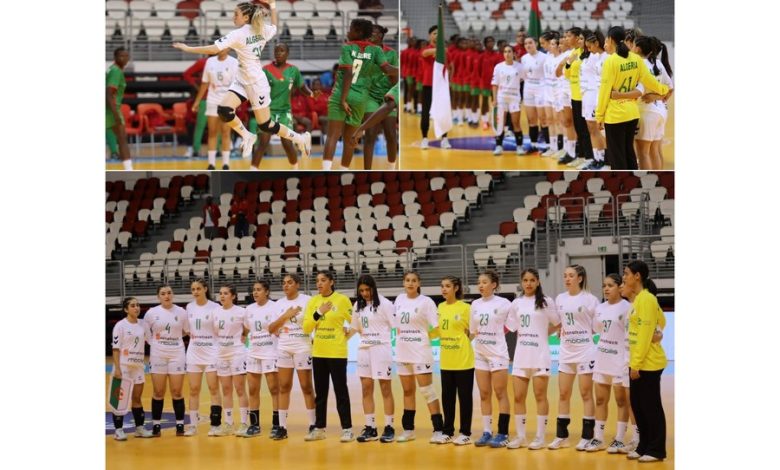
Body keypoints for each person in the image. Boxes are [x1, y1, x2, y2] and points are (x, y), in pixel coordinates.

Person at [173, 1, 312, 161]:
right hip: (241, 79)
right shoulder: (261, 29)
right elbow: (274, 26)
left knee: (266, 125)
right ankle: (247, 136)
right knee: (224, 110)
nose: (233, 17)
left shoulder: (239, 34)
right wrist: (273, 5)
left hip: (256, 83)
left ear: (246, 17)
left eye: (236, 14)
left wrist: (188, 48)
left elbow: (214, 49)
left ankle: (301, 138)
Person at [321, 18, 397, 170]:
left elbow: (349, 73)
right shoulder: (376, 50)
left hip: (342, 93)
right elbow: (388, 69)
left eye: (350, 29)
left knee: (332, 136)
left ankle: (326, 171)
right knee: (351, 138)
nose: (348, 32)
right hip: (361, 98)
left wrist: (343, 99)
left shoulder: (347, 47)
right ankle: (343, 170)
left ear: (359, 32)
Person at [596, 26, 670, 170]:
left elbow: (605, 92)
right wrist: (663, 89)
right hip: (632, 114)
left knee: (617, 158)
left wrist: (599, 116)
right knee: (630, 154)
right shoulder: (636, 59)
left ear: (610, 40)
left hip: (615, 115)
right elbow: (650, 81)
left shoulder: (611, 61)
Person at [506, 269, 560, 450]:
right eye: (525, 280)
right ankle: (521, 436)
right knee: (518, 397)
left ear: (538, 282)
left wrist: (544, 334)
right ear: (521, 282)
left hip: (540, 356)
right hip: (521, 357)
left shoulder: (546, 301)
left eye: (532, 280)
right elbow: (510, 327)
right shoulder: (516, 303)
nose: (528, 283)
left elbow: (558, 323)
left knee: (540, 396)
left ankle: (540, 437)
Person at [548, 265, 599, 451]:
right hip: (566, 352)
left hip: (585, 352)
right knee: (563, 394)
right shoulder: (560, 298)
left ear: (580, 278)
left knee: (586, 394)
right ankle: (561, 436)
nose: (567, 279)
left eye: (571, 276)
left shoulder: (590, 300)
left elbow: (597, 325)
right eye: (565, 276)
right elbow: (559, 323)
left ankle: (587, 436)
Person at [302, 271, 355, 442]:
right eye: (317, 280)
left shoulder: (342, 300)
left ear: (331, 282)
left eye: (323, 280)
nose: (319, 283)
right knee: (320, 393)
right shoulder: (313, 301)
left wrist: (346, 336)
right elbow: (306, 328)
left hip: (337, 353)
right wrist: (319, 312)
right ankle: (319, 428)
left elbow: (356, 321)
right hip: (318, 352)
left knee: (341, 392)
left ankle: (347, 429)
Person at [623, 261, 667, 462]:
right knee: (638, 406)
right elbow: (661, 321)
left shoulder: (647, 299)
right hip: (637, 361)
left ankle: (656, 450)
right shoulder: (639, 299)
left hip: (647, 363)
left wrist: (637, 364)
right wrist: (658, 330)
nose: (624, 277)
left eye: (627, 273)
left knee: (650, 407)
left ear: (637, 276)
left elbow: (644, 335)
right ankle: (643, 446)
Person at [393, 271, 445, 443]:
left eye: (414, 280)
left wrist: (425, 338)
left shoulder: (426, 302)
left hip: (420, 351)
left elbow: (436, 326)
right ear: (403, 283)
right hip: (402, 351)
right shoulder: (399, 299)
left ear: (419, 283)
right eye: (407, 280)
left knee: (427, 391)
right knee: (407, 391)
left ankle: (438, 429)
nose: (410, 283)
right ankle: (408, 430)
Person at [251, 42, 318, 170]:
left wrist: (311, 94)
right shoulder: (266, 70)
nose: (278, 53)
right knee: (263, 143)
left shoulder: (293, 70)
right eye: (276, 51)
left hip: (284, 112)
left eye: (281, 51)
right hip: (268, 111)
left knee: (287, 143)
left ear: (287, 53)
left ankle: (295, 169)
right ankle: (252, 170)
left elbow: (302, 87)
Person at [585, 274, 632, 452]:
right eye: (604, 285)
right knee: (600, 400)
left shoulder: (627, 307)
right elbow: (597, 330)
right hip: (602, 360)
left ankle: (619, 438)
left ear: (620, 287)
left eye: (610, 285)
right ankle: (598, 438)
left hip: (619, 361)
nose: (606, 289)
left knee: (621, 401)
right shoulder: (600, 308)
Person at [612, 36, 674, 170]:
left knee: (643, 153)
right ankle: (657, 179)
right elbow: (670, 88)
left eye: (633, 45)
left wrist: (618, 95)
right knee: (655, 151)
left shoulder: (638, 64)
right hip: (660, 111)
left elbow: (638, 91)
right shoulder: (658, 63)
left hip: (646, 112)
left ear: (638, 49)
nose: (631, 48)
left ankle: (647, 179)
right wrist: (657, 97)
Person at [348, 275, 396, 443]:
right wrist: (339, 337)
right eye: (361, 291)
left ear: (373, 288)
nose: (364, 293)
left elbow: (396, 327)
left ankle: (389, 427)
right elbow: (354, 328)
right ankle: (371, 427)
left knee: (385, 389)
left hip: (381, 349)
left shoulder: (386, 304)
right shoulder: (357, 306)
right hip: (364, 350)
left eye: (367, 290)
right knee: (366, 389)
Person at [267, 274, 315, 440]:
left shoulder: (308, 301)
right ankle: (282, 427)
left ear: (297, 285)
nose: (286, 285)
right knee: (284, 386)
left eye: (289, 282)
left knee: (306, 386)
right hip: (284, 348)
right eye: (284, 283)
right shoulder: (279, 304)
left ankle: (313, 424)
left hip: (302, 347)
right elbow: (271, 329)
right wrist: (285, 316)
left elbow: (315, 322)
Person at [469, 270, 512, 448]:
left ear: (494, 285)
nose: (481, 285)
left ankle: (503, 433)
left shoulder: (504, 303)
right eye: (479, 282)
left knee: (500, 393)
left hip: (497, 354)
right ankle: (487, 431)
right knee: (484, 394)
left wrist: (497, 335)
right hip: (480, 353)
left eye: (484, 282)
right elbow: (473, 330)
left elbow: (512, 324)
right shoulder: (475, 304)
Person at [145, 285, 189, 436]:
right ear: (158, 296)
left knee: (177, 391)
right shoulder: (152, 313)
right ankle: (156, 425)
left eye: (169, 293)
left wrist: (173, 338)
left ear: (173, 294)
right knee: (158, 391)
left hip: (177, 353)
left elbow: (186, 331)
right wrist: (155, 343)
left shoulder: (181, 312)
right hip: (158, 354)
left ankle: (180, 425)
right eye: (163, 293)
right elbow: (145, 332)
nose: (167, 296)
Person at [183, 279, 224, 436]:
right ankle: (193, 426)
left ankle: (215, 425)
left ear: (205, 289)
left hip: (211, 353)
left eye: (198, 288)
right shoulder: (189, 307)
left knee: (214, 388)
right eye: (193, 289)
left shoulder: (215, 307)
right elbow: (187, 329)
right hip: (194, 353)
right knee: (193, 389)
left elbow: (220, 329)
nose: (195, 292)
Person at [437, 276, 474, 445]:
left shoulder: (466, 308)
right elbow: (438, 330)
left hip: (463, 361)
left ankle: (465, 432)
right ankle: (447, 432)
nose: (444, 289)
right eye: (442, 286)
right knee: (447, 398)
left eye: (447, 286)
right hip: (446, 360)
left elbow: (473, 330)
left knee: (465, 398)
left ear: (456, 288)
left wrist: (465, 340)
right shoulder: (440, 307)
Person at [110, 297, 154, 440]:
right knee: (119, 399)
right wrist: (117, 368)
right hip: (123, 366)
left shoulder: (143, 324)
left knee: (137, 398)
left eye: (138, 305)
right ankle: (118, 430)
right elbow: (115, 349)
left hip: (138, 367)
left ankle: (139, 429)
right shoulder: (120, 326)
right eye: (133, 305)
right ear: (126, 309)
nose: (136, 308)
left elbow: (152, 341)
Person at [191, 49, 239, 170]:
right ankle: (211, 163)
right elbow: (204, 83)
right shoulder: (210, 61)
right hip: (212, 100)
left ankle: (226, 163)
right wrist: (197, 101)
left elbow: (237, 84)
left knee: (225, 132)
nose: (220, 49)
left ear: (228, 48)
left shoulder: (234, 62)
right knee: (212, 131)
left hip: (227, 101)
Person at [244, 280, 280, 437]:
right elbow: (246, 329)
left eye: (258, 289)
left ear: (267, 291)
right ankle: (254, 425)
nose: (255, 292)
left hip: (270, 352)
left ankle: (277, 424)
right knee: (252, 389)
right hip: (253, 352)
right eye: (254, 289)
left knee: (274, 389)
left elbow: (278, 327)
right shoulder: (249, 309)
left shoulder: (275, 307)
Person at [361, 25, 398, 170]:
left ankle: (391, 167)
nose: (370, 35)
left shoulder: (391, 53)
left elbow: (396, 76)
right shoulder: (364, 52)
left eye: (373, 33)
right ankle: (367, 170)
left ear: (381, 36)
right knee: (370, 134)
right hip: (369, 96)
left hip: (387, 95)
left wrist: (394, 95)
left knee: (391, 135)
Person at [214, 284, 249, 436]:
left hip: (237, 353)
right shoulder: (216, 312)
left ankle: (244, 423)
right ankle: (228, 423)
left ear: (233, 296)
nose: (222, 296)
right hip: (222, 354)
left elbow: (247, 328)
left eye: (226, 293)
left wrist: (244, 336)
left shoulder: (241, 312)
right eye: (220, 293)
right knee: (226, 390)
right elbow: (215, 332)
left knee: (240, 389)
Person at [578, 31, 608, 170]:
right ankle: (597, 158)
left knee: (599, 128)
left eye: (582, 39)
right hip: (587, 95)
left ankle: (604, 159)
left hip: (596, 94)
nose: (588, 49)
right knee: (591, 127)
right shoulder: (588, 55)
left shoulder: (602, 57)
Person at [419, 25, 451, 150]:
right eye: (434, 33)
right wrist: (439, 50)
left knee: (443, 112)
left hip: (441, 86)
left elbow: (449, 65)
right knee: (425, 113)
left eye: (439, 34)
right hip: (428, 85)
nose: (437, 36)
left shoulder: (446, 51)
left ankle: (444, 139)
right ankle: (424, 138)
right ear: (430, 36)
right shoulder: (426, 49)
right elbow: (425, 53)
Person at [491, 45, 525, 156]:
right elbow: (495, 84)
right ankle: (498, 146)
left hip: (514, 98)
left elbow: (524, 80)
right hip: (501, 98)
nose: (507, 54)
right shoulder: (498, 67)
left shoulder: (519, 67)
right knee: (500, 122)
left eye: (509, 51)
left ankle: (519, 146)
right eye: (505, 52)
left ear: (514, 53)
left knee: (516, 123)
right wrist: (494, 99)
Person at [521, 37, 549, 153]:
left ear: (536, 44)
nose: (528, 45)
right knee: (531, 119)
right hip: (528, 89)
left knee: (543, 119)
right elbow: (524, 76)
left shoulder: (544, 57)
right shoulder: (523, 58)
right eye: (526, 43)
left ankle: (547, 145)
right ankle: (533, 145)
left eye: (530, 43)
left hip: (541, 89)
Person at [106, 47, 133, 170]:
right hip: (111, 108)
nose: (124, 58)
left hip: (109, 108)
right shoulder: (116, 71)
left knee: (121, 138)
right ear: (115, 57)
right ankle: (129, 169)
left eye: (126, 56)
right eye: (121, 56)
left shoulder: (112, 69)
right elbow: (109, 93)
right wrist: (115, 114)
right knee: (122, 139)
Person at [182, 55, 209, 159]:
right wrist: (197, 87)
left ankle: (218, 150)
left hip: (219, 98)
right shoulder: (203, 62)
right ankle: (195, 150)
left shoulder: (227, 62)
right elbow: (187, 74)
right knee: (199, 125)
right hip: (204, 98)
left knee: (218, 127)